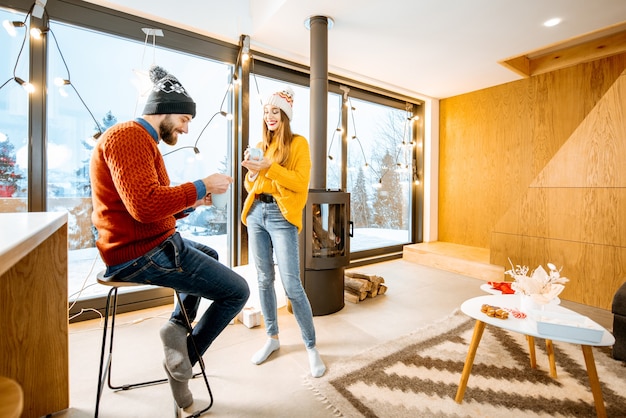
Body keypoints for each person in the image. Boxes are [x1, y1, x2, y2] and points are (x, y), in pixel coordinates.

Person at [90, 65, 250, 408]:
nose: (186, 127)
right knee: (237, 291)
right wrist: (202, 185)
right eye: (185, 119)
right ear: (165, 109)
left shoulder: (142, 141)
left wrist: (194, 201)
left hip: (146, 244)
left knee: (210, 254)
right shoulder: (129, 137)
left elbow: (148, 204)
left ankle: (175, 328)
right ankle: (184, 363)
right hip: (140, 253)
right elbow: (145, 207)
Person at [241, 86, 326, 378]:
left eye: (274, 111)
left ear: (285, 115)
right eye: (266, 112)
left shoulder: (298, 144)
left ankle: (311, 346)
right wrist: (253, 173)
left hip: (281, 215)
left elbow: (300, 183)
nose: (269, 117)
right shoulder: (260, 144)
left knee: (292, 284)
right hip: (256, 214)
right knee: (264, 280)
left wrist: (269, 168)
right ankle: (272, 339)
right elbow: (252, 186)